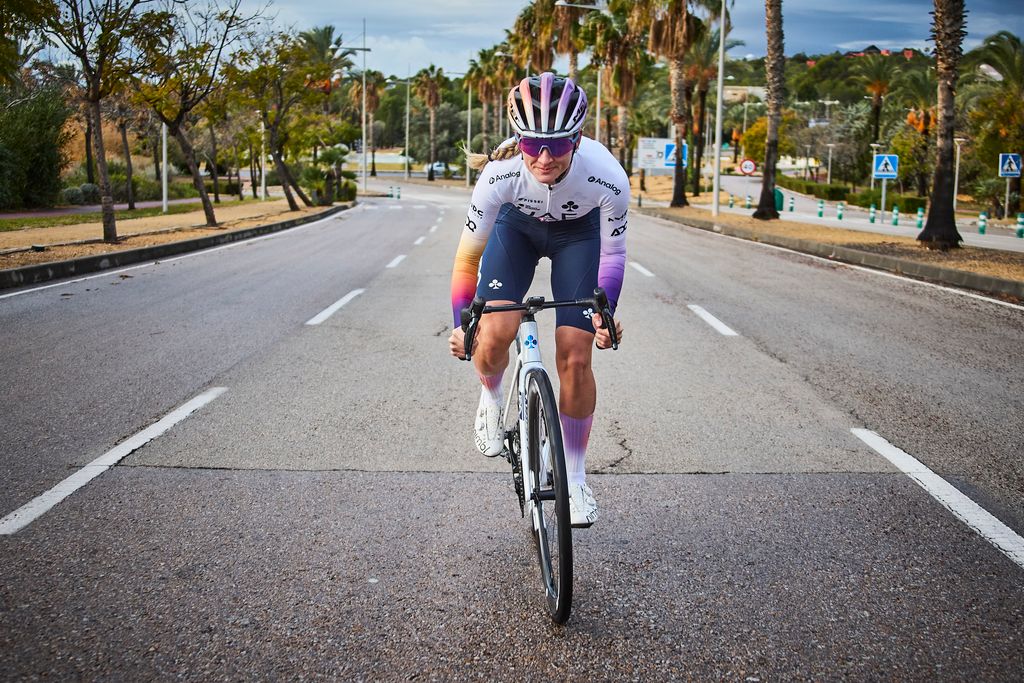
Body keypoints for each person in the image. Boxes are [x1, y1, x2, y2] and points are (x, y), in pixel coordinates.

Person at [447, 72, 629, 528]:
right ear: (518, 139)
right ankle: (490, 398)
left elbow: (614, 254)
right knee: (493, 335)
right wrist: (460, 323)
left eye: (559, 145)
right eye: (531, 145)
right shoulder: (499, 176)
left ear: (578, 138)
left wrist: (606, 315)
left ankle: (575, 475)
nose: (544, 158)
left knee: (576, 356)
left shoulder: (606, 177)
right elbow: (467, 258)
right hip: (517, 231)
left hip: (578, 236)